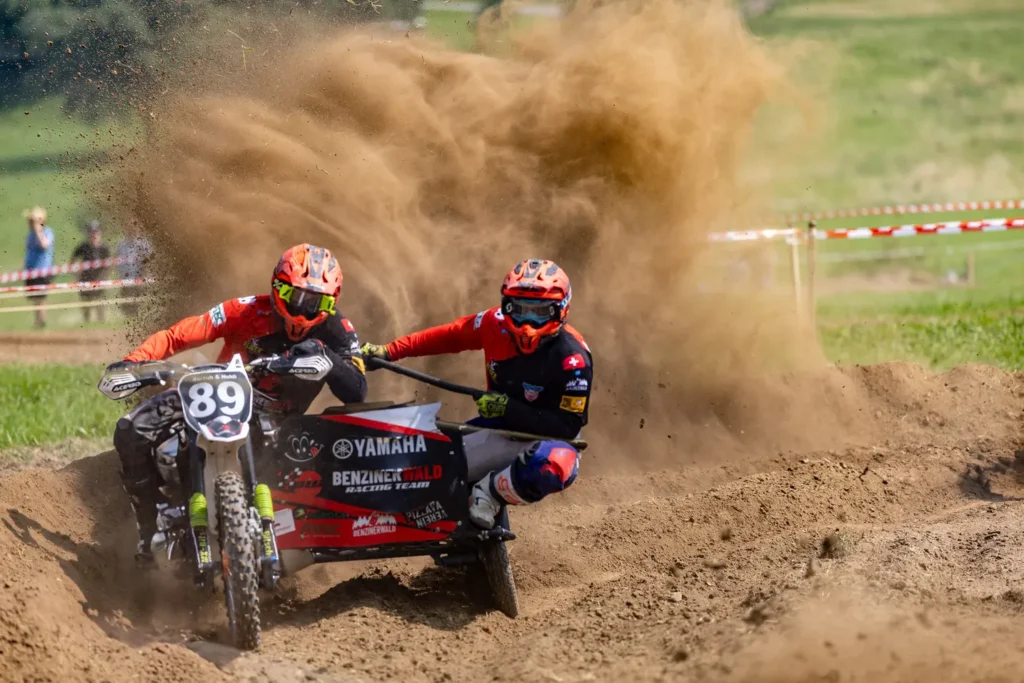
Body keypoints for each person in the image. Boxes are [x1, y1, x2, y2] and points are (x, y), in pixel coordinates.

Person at [106, 243, 368, 566]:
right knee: (130, 430)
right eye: (295, 297)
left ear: (331, 302)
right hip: (212, 396)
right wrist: (135, 362)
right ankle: (149, 528)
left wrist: (326, 356)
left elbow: (357, 390)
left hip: (275, 424)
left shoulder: (337, 330)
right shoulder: (245, 311)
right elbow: (178, 335)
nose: (302, 311)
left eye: (315, 303)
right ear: (276, 289)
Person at [361, 258, 592, 529]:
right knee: (424, 470)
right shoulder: (493, 323)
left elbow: (566, 427)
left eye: (540, 312)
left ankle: (490, 493)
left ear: (561, 311)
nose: (528, 323)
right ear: (505, 306)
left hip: (550, 440)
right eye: (518, 310)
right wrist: (389, 351)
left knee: (553, 466)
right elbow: (451, 335)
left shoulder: (574, 358)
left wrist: (508, 408)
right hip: (499, 431)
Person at [71, 220, 111, 323]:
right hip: (85, 280)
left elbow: (108, 265)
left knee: (100, 304)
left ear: (100, 233)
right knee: (86, 304)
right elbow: (72, 261)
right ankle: (87, 323)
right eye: (91, 232)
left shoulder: (104, 248)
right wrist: (76, 277)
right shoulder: (83, 247)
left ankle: (101, 323)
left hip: (100, 280)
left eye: (96, 232)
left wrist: (104, 278)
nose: (94, 234)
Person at [23, 206, 55, 329]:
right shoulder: (30, 235)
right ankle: (38, 321)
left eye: (33, 221)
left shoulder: (47, 232)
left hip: (42, 271)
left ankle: (42, 321)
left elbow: (44, 245)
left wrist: (38, 231)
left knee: (41, 297)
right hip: (31, 271)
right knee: (34, 298)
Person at [115, 221, 153, 317]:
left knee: (138, 300)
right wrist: (120, 275)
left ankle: (140, 316)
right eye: (128, 228)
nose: (131, 230)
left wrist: (144, 275)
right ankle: (128, 318)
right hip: (125, 278)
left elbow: (149, 259)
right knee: (126, 301)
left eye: (133, 228)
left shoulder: (142, 244)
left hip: (138, 277)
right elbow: (116, 260)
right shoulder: (121, 244)